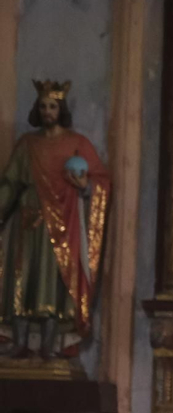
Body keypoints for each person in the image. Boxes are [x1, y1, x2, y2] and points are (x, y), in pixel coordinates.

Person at [0, 80, 110, 360]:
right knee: (22, 280)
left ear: (61, 110)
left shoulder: (77, 144)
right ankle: (20, 343)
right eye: (43, 107)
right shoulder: (27, 144)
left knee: (52, 285)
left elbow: (101, 180)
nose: (48, 112)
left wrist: (85, 185)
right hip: (27, 221)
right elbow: (10, 184)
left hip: (62, 225)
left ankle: (50, 346)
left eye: (52, 106)